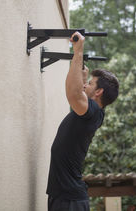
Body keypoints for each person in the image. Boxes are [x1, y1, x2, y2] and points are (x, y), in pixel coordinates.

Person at [46, 32, 119, 211]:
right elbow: (80, 98)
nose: (86, 85)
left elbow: (74, 94)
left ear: (99, 92)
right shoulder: (93, 114)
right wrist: (84, 78)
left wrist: (77, 51)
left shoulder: (93, 113)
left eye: (91, 84)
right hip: (65, 196)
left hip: (69, 200)